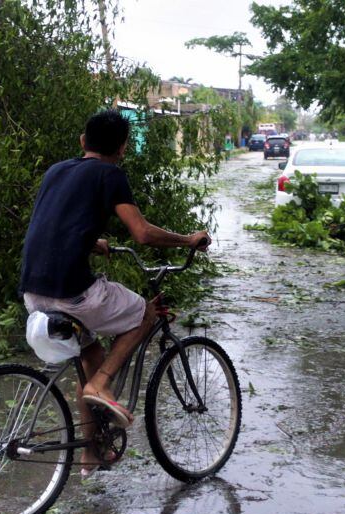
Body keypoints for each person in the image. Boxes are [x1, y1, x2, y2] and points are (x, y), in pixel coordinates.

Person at [19, 110, 209, 471]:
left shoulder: (56, 171)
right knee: (144, 312)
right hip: (71, 292)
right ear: (122, 148)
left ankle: (90, 452)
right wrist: (188, 239)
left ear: (82, 141)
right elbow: (142, 233)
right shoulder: (110, 174)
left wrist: (89, 242)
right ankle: (102, 385)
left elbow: (53, 226)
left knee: (91, 356)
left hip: (32, 290)